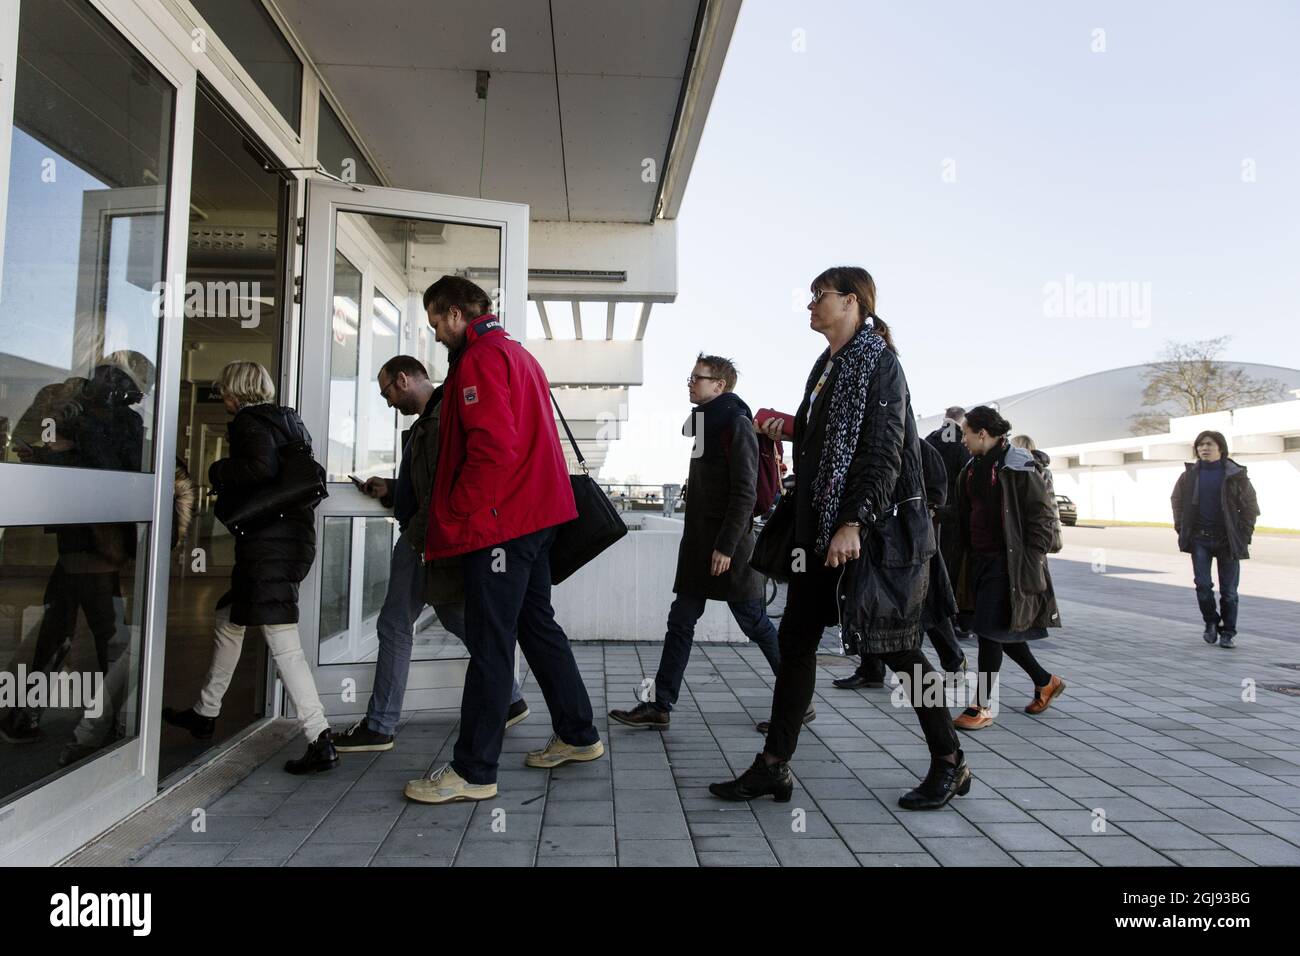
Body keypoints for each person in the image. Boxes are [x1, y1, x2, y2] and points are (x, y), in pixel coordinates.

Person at [710, 266, 971, 811]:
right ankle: (773, 767)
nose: (809, 305)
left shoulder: (879, 364)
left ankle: (951, 761)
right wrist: (787, 426)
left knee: (900, 649)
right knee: (797, 641)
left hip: (870, 535)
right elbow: (823, 433)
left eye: (818, 296)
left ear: (851, 302)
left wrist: (853, 521)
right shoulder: (827, 365)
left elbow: (882, 448)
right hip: (816, 529)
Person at [403, 277, 602, 805]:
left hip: (503, 527)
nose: (435, 335)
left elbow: (491, 448)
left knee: (491, 643)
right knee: (537, 626)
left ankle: (473, 769)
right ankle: (579, 734)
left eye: (435, 324)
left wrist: (462, 514)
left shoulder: (481, 359)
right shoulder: (520, 355)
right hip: (537, 519)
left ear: (452, 313)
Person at [332, 355, 529, 753]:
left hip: (426, 539)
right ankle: (510, 699)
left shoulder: (437, 421)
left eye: (387, 391)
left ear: (403, 380)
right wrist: (391, 487)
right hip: (436, 538)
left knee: (393, 625)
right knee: (456, 617)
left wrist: (416, 540)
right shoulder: (433, 418)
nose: (387, 401)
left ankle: (380, 725)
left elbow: (443, 489)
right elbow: (426, 484)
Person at [162, 361, 335, 774]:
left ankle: (320, 737)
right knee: (229, 619)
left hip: (269, 547)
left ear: (235, 392)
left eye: (223, 391)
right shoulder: (288, 421)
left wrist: (216, 470)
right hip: (290, 540)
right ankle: (206, 711)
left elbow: (260, 469)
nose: (222, 398)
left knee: (282, 641)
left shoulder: (248, 421)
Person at [609, 354, 789, 729]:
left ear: (719, 386)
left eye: (697, 378)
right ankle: (660, 705)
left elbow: (743, 492)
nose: (690, 383)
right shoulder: (708, 425)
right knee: (681, 621)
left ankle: (796, 699)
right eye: (690, 377)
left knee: (754, 622)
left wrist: (725, 546)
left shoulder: (736, 425)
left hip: (729, 548)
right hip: (700, 546)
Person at [0, 351, 154, 745]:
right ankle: (30, 713)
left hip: (97, 534)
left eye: (113, 379)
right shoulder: (80, 412)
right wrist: (52, 452)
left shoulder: (122, 422)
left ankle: (114, 720)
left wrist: (74, 443)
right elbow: (40, 443)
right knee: (61, 620)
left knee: (102, 628)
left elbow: (115, 470)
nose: (103, 384)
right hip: (78, 530)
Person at [951, 406, 1065, 731]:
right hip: (980, 562)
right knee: (1002, 631)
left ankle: (981, 706)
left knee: (989, 633)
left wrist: (1030, 559)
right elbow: (963, 511)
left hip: (1008, 564)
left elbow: (1041, 518)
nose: (963, 441)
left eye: (966, 434)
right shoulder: (971, 470)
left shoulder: (1018, 466)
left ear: (982, 434)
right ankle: (1046, 681)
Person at [836, 433, 966, 689]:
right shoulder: (875, 442)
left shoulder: (921, 449)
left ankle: (954, 661)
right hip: (877, 537)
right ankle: (871, 669)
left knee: (928, 608)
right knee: (871, 601)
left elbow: (936, 495)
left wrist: (914, 516)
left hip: (912, 543)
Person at [1171, 430, 1259, 649]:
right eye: (1200, 445)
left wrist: (1243, 534)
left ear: (1220, 447)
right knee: (1202, 586)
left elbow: (1250, 506)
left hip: (1227, 539)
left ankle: (1228, 632)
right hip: (1199, 539)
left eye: (1209, 444)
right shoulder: (1189, 475)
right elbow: (1177, 500)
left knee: (1229, 592)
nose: (1204, 448)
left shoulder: (1235, 474)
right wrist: (1182, 528)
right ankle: (1211, 622)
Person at [926, 406, 972, 639]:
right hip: (952, 516)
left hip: (930, 514)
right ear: (961, 420)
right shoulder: (962, 444)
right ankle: (950, 619)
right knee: (951, 569)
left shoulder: (929, 440)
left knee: (935, 566)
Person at [1010, 434, 1063, 553]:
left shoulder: (1019, 471)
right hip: (1042, 532)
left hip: (1027, 532)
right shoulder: (1045, 471)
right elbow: (1052, 506)